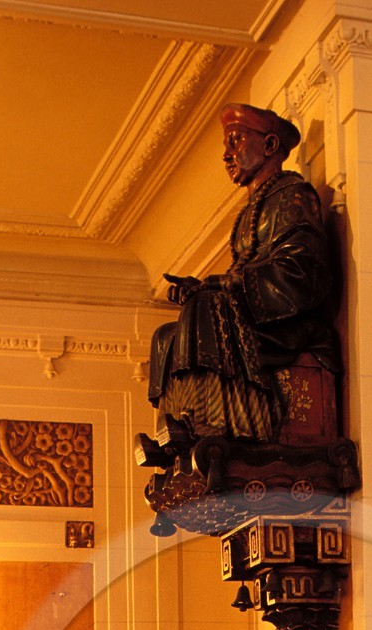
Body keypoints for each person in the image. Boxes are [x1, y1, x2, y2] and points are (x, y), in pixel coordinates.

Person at [145, 102, 340, 449]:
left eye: (235, 141)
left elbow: (304, 272)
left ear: (269, 146)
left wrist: (225, 285)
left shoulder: (293, 195)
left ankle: (216, 422)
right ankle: (176, 429)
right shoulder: (253, 208)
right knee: (166, 335)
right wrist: (205, 286)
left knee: (206, 306)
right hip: (258, 314)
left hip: (288, 321)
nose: (226, 154)